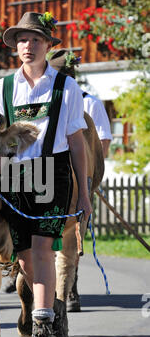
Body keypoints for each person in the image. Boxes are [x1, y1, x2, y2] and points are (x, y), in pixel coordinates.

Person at [0, 12, 92, 337]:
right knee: (23, 258)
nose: (27, 46)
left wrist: (84, 192)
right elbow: (2, 145)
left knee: (43, 250)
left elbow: (77, 142)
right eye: (21, 39)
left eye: (35, 39)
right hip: (16, 178)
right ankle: (52, 305)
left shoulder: (66, 87)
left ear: (48, 45)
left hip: (54, 173)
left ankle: (42, 334)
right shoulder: (3, 88)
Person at [49, 49, 112, 312]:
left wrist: (88, 177)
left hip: (82, 174)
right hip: (50, 176)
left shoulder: (90, 103)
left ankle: (70, 288)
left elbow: (102, 143)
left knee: (74, 237)